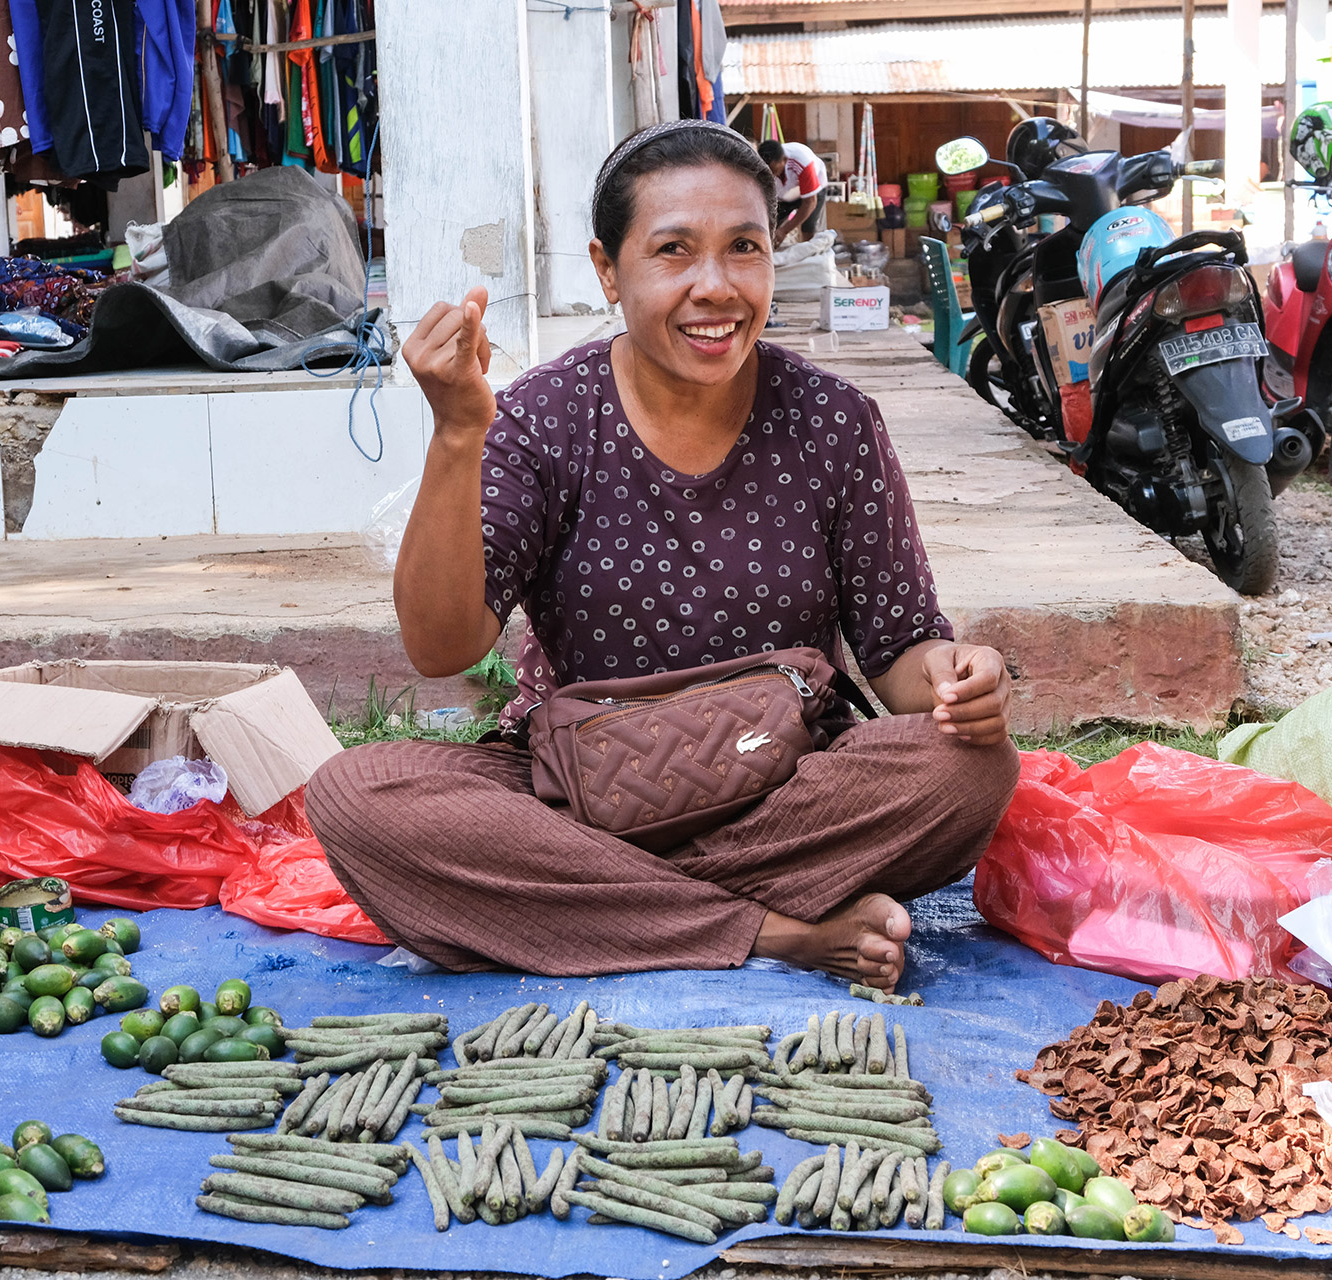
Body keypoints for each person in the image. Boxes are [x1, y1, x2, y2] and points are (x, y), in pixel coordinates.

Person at [306, 120, 1019, 990]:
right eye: (673, 251)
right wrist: (459, 433)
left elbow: (901, 647)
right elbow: (440, 647)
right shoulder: (542, 420)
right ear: (609, 270)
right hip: (583, 797)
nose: (713, 289)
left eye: (743, 249)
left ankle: (595, 913)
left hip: (787, 791)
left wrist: (957, 677)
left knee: (968, 766)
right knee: (357, 796)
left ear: (773, 253)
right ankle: (774, 931)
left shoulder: (834, 421)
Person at [757, 138, 826, 240]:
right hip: (784, 195)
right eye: (769, 172)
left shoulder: (803, 163)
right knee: (769, 226)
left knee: (808, 228)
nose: (772, 175)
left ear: (784, 160)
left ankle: (810, 252)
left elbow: (810, 202)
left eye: (774, 171)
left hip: (812, 192)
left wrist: (784, 231)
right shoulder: (759, 166)